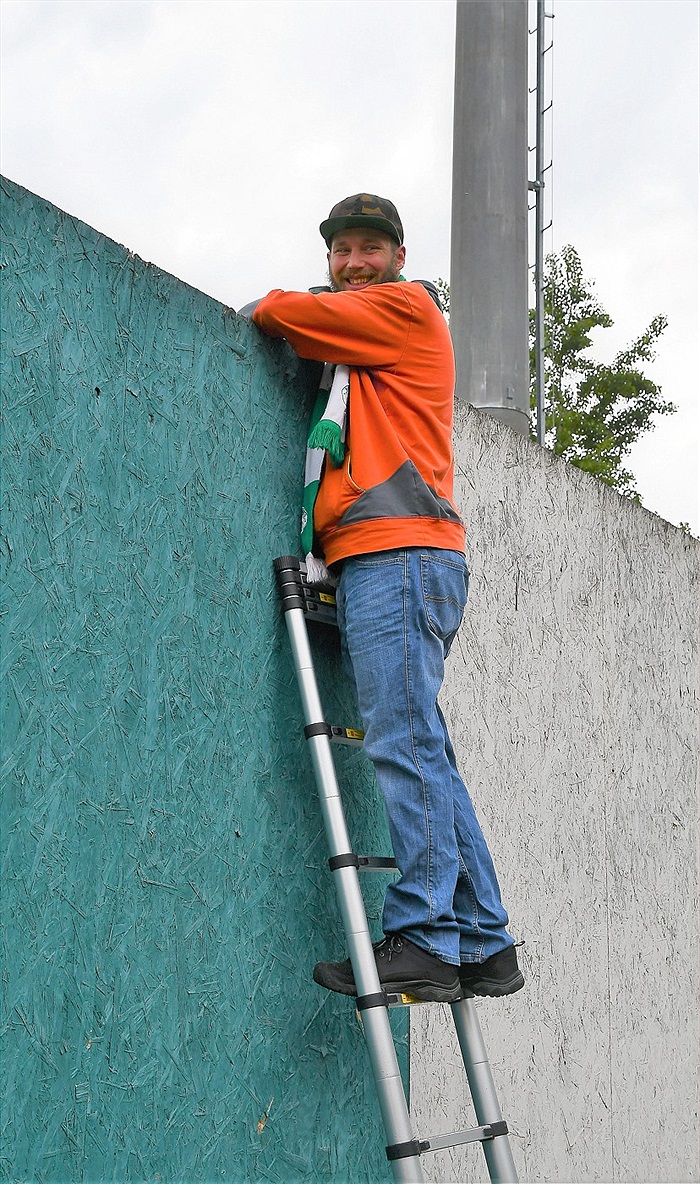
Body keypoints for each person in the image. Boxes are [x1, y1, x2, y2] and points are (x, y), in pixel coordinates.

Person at [253, 193, 523, 1003]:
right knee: (424, 748)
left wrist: (305, 299)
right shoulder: (362, 345)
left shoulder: (401, 308)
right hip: (399, 555)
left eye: (371, 247)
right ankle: (484, 940)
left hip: (399, 553)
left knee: (403, 746)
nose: (354, 261)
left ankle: (426, 938)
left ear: (398, 258)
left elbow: (275, 312)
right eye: (342, 251)